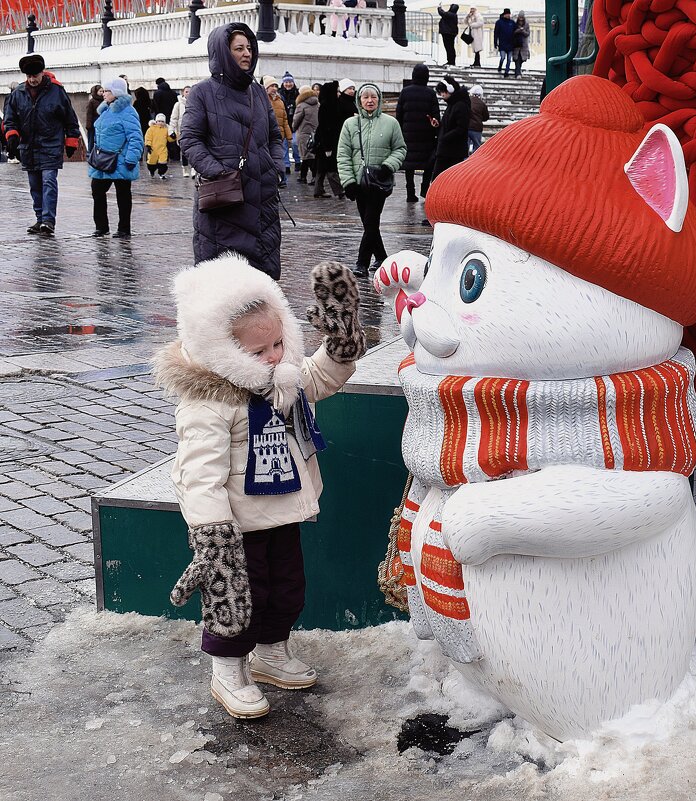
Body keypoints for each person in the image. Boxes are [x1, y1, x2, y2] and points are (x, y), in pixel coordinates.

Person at [154, 255, 366, 720]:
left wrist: (340, 337)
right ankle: (228, 669)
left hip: (282, 512)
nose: (273, 356)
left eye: (278, 343)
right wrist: (213, 537)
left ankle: (271, 653)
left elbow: (321, 376)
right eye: (258, 351)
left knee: (286, 590)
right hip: (235, 527)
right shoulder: (208, 403)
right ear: (222, 351)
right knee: (236, 600)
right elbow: (198, 475)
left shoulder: (281, 378)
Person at [180, 23, 284, 280]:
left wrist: (276, 167)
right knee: (222, 282)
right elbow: (190, 139)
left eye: (249, 48)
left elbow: (274, 135)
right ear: (223, 52)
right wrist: (218, 172)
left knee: (260, 280)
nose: (247, 53)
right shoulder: (202, 93)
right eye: (239, 48)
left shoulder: (257, 92)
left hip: (262, 199)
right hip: (225, 199)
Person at [2, 54, 81, 236]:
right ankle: (40, 219)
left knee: (48, 182)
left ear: (42, 73)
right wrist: (12, 135)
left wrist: (71, 139)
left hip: (51, 145)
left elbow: (70, 118)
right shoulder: (18, 93)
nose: (32, 80)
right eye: (29, 76)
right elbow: (10, 118)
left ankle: (48, 220)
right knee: (35, 186)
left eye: (35, 76)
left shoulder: (57, 91)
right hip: (28, 147)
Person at [338, 83, 406, 274]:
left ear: (379, 99)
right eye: (365, 97)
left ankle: (362, 263)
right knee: (370, 224)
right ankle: (382, 257)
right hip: (359, 183)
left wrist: (388, 166)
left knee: (370, 221)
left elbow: (400, 149)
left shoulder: (391, 123)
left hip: (379, 182)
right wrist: (348, 182)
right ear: (359, 100)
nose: (370, 101)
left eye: (373, 97)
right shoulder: (350, 124)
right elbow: (343, 154)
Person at [89, 77, 143, 239]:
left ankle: (124, 229)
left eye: (107, 91)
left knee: (123, 194)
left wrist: (131, 158)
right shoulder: (105, 110)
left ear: (117, 92)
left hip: (121, 161)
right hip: (102, 160)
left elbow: (135, 137)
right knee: (97, 191)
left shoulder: (128, 112)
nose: (103, 93)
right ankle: (101, 227)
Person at [395, 63, 439, 202]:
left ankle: (410, 192)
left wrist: (401, 131)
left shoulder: (405, 92)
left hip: (408, 135)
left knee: (409, 164)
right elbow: (436, 115)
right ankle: (425, 189)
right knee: (427, 163)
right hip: (426, 135)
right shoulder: (430, 93)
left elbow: (399, 114)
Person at [431, 76, 470, 182]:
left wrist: (444, 138)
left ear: (449, 90)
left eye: (442, 92)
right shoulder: (452, 104)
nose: (441, 95)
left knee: (445, 180)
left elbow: (461, 128)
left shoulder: (460, 105)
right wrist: (438, 125)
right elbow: (449, 125)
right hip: (446, 149)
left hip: (453, 151)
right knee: (438, 179)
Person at [311, 80, 345, 199]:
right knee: (331, 167)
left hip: (324, 142)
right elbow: (325, 128)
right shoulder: (328, 106)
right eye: (337, 91)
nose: (338, 93)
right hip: (327, 143)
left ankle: (318, 190)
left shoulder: (329, 105)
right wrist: (328, 147)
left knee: (322, 168)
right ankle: (339, 190)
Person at [263, 76, 293, 185]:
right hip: (267, 134)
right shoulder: (263, 100)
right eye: (272, 86)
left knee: (280, 157)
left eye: (276, 86)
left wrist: (289, 136)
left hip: (280, 135)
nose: (274, 88)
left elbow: (285, 120)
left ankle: (282, 180)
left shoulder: (280, 101)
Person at [291, 82, 319, 185]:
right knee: (308, 155)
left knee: (307, 156)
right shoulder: (318, 104)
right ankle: (302, 176)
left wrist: (293, 128)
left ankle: (315, 177)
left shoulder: (301, 105)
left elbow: (296, 120)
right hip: (315, 133)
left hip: (303, 133)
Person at [169, 85, 192, 177]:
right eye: (186, 91)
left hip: (193, 131)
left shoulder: (195, 103)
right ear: (183, 93)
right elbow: (174, 118)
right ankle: (185, 168)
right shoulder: (178, 104)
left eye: (190, 92)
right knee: (184, 151)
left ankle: (194, 168)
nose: (188, 93)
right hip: (181, 131)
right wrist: (171, 131)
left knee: (194, 150)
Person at [279, 73, 300, 173]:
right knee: (284, 146)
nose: (288, 84)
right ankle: (286, 165)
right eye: (286, 82)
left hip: (295, 124)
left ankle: (298, 161)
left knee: (295, 144)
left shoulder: (298, 94)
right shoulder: (279, 94)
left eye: (290, 82)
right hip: (283, 123)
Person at [145, 112, 170, 179]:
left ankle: (161, 173)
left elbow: (169, 139)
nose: (160, 123)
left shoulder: (166, 130)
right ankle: (151, 171)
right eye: (159, 121)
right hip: (153, 149)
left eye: (162, 121)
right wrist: (148, 145)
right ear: (156, 121)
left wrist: (173, 136)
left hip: (162, 149)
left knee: (163, 162)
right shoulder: (151, 129)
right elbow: (148, 137)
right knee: (151, 162)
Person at [494, 9, 516, 77]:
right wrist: (495, 42)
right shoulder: (499, 22)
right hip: (502, 43)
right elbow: (496, 33)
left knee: (509, 59)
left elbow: (515, 33)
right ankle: (500, 66)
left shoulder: (512, 23)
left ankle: (506, 71)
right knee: (503, 57)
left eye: (509, 14)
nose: (508, 15)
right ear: (504, 14)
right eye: (507, 14)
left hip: (510, 44)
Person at [467, 84, 488, 153]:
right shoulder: (482, 104)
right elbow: (486, 117)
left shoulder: (467, 101)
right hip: (477, 128)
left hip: (466, 127)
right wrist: (479, 118)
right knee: (477, 148)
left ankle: (465, 159)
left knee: (465, 148)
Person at [84, 84, 103, 152]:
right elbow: (89, 114)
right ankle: (90, 152)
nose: (102, 93)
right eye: (100, 91)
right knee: (91, 138)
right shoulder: (92, 101)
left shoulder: (104, 101)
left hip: (101, 121)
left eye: (102, 91)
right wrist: (89, 125)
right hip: (93, 121)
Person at [513, 11, 531, 78]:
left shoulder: (526, 24)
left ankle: (518, 72)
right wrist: (518, 30)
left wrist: (522, 31)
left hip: (523, 45)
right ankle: (518, 73)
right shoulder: (515, 24)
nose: (520, 19)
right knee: (517, 59)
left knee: (521, 59)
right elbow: (513, 33)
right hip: (516, 45)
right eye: (520, 17)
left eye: (522, 17)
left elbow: (527, 33)